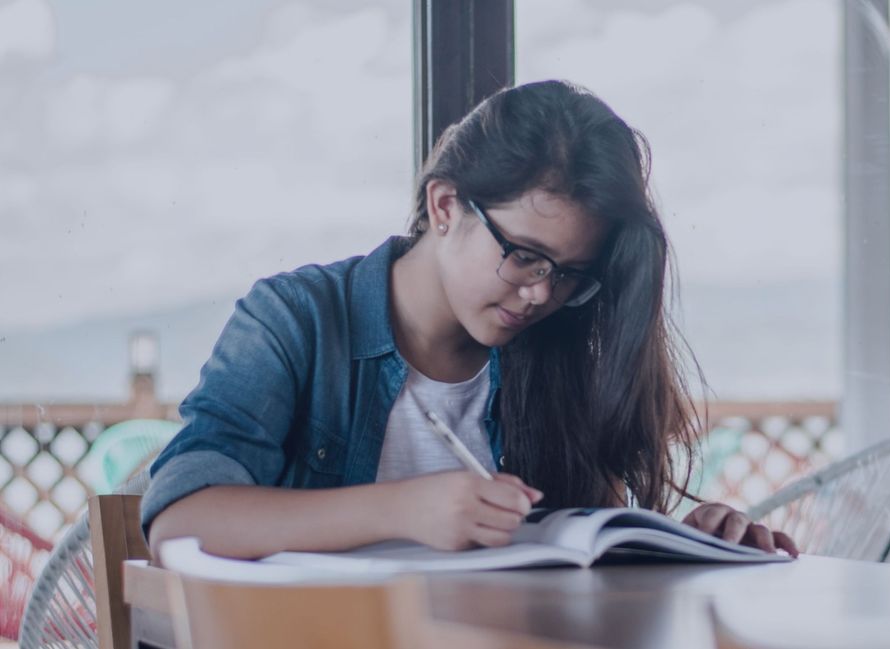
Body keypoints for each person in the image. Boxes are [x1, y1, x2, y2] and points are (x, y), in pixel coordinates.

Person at [143, 79, 798, 560]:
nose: (541, 294)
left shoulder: (554, 349)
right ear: (447, 204)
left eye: (568, 273)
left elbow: (586, 556)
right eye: (524, 256)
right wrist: (404, 506)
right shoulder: (297, 319)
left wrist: (692, 539)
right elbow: (181, 519)